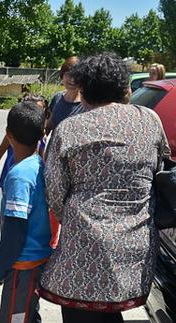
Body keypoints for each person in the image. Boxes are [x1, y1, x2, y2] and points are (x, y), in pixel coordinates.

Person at [39, 53, 172, 323]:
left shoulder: (70, 129)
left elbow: (54, 191)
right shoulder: (150, 120)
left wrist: (77, 218)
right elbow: (157, 169)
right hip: (134, 249)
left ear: (85, 91)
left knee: (81, 314)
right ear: (124, 89)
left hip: (84, 246)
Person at [0, 101, 52, 323]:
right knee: (26, 315)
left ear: (9, 135)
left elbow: (15, 230)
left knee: (14, 319)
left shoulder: (19, 176)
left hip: (22, 266)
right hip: (36, 261)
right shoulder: (39, 164)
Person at [45, 56, 84, 136]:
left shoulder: (87, 102)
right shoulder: (57, 97)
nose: (72, 80)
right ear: (62, 75)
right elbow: (48, 126)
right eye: (69, 75)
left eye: (77, 76)